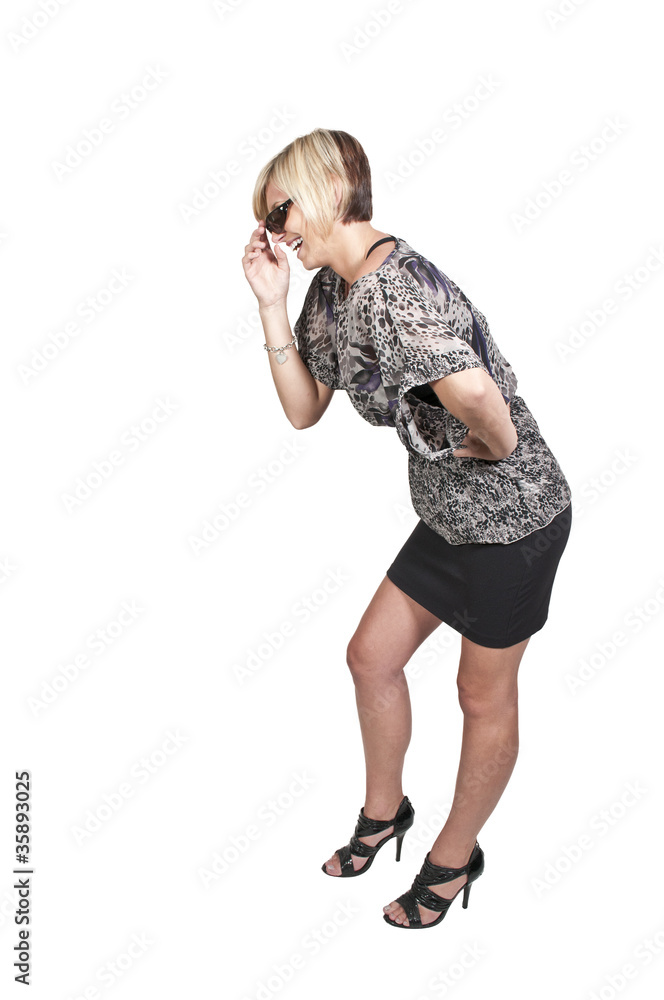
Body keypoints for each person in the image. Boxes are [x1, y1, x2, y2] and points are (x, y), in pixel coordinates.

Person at [241, 128, 572, 930]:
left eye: (279, 212)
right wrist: (272, 304)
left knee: (480, 697)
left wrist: (486, 444)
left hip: (513, 521)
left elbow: (484, 402)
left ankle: (454, 860)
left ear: (325, 191)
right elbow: (303, 410)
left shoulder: (395, 293)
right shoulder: (336, 289)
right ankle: (386, 813)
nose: (274, 231)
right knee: (371, 657)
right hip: (449, 518)